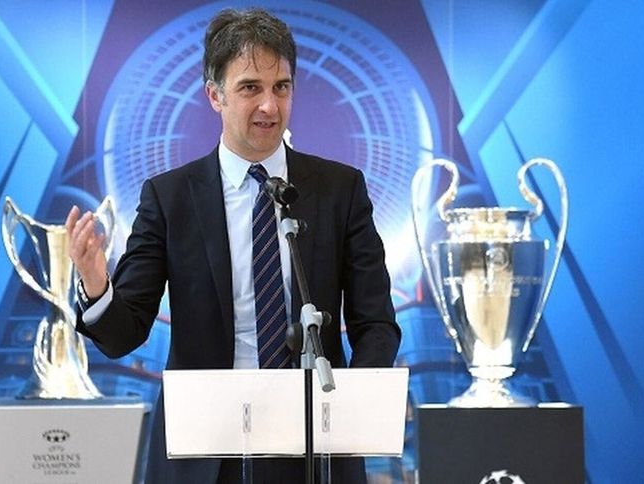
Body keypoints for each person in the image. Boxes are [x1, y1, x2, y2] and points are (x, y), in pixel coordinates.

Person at [66, 7, 400, 483]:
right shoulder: (169, 197)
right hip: (208, 452)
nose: (269, 106)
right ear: (215, 95)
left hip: (315, 448)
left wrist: (350, 407)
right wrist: (97, 285)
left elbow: (376, 323)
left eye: (281, 87)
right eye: (250, 88)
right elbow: (125, 335)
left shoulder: (339, 189)